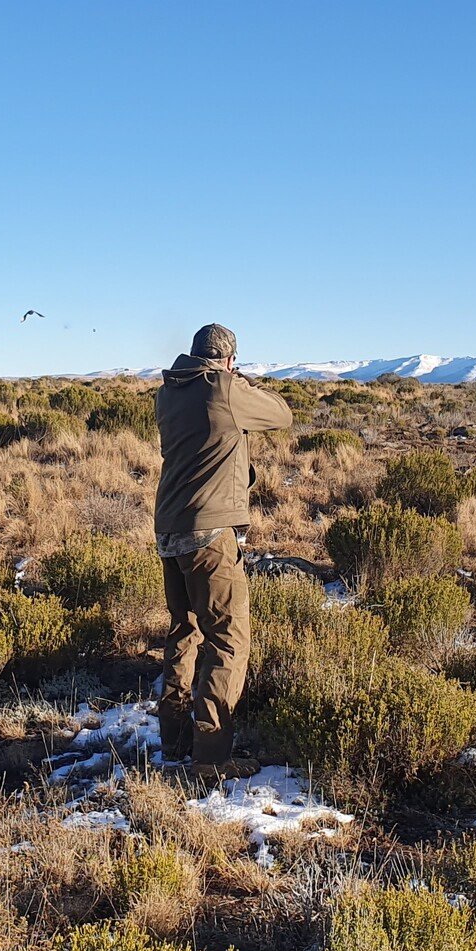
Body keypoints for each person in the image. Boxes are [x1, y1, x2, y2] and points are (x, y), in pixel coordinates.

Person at [153, 323, 293, 780]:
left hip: (170, 527)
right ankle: (211, 757)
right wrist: (241, 382)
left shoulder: (169, 392)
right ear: (229, 359)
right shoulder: (224, 389)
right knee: (228, 639)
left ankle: (174, 740)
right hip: (209, 531)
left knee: (185, 630)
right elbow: (282, 414)